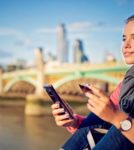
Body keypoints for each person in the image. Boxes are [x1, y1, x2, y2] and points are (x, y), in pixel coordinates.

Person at [51, 14, 134, 150]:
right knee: (100, 117)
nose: (126, 45)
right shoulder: (127, 82)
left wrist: (115, 117)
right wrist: (74, 121)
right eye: (124, 38)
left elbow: (115, 121)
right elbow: (101, 125)